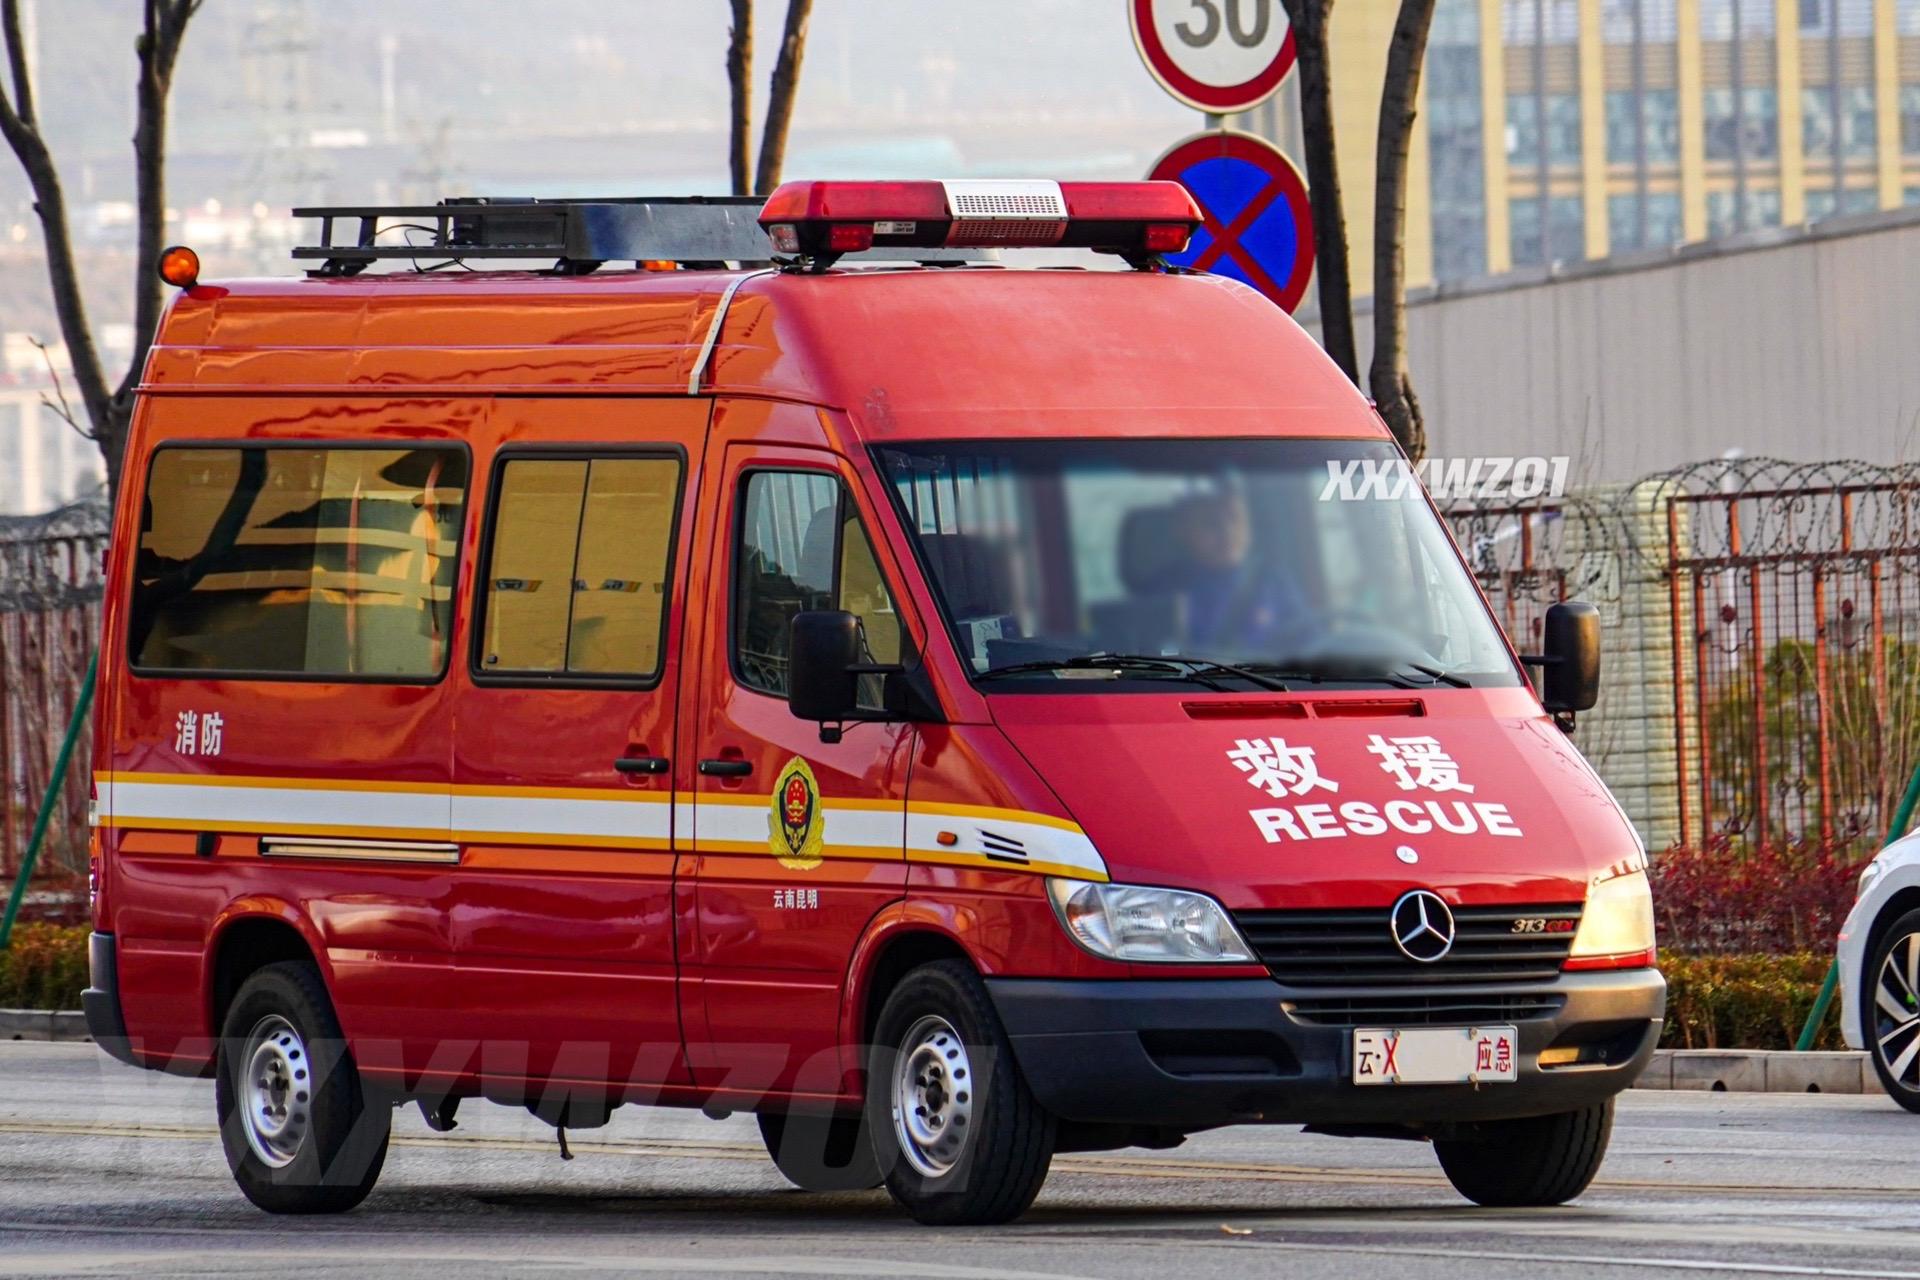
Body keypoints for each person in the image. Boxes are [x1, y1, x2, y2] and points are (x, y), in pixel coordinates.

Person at [1169, 488, 1306, 654]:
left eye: (1235, 518)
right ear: (1183, 531)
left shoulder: (1273, 580)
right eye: (1210, 523)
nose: (1228, 532)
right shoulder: (1165, 590)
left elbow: (1311, 643)